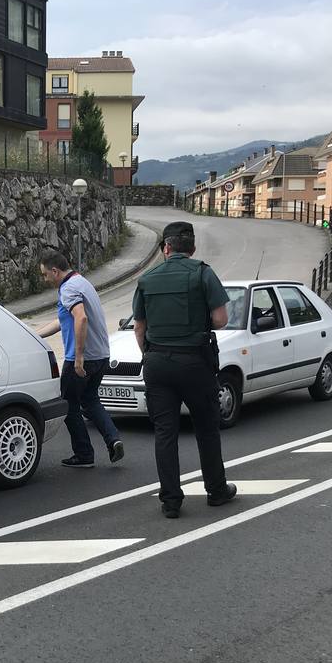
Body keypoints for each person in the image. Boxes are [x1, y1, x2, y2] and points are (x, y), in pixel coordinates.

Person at [132, 221, 236, 517]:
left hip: (157, 363)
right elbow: (221, 319)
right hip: (194, 362)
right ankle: (216, 491)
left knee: (165, 432)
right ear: (191, 248)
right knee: (206, 428)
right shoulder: (203, 273)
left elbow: (139, 328)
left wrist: (150, 354)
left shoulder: (147, 279)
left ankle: (171, 501)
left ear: (165, 248)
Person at [37, 251, 125, 468]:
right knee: (90, 400)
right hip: (102, 356)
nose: (45, 279)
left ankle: (84, 454)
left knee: (69, 405)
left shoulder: (68, 288)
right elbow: (63, 320)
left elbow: (81, 317)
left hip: (81, 359)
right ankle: (113, 439)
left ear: (55, 271)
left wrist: (78, 358)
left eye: (45, 274)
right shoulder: (82, 282)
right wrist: (32, 335)